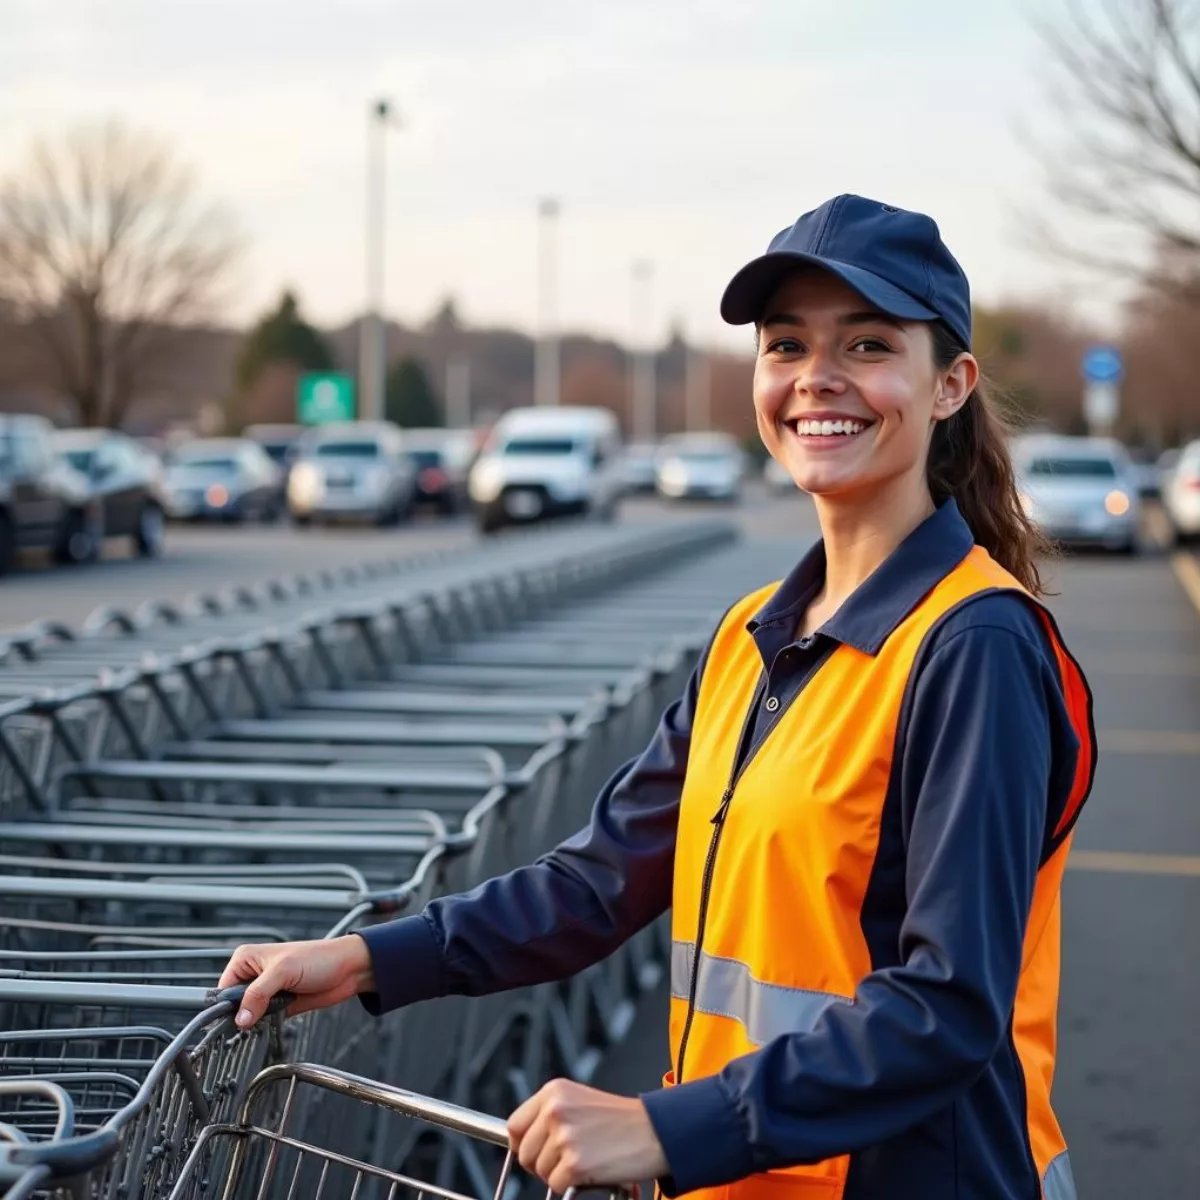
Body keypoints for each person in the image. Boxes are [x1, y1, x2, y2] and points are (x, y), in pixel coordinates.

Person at [219, 195, 1095, 1200]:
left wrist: (664, 1128)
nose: (818, 378)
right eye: (786, 345)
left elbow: (947, 1006)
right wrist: (369, 959)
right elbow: (602, 879)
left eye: (866, 344)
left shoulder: (973, 642)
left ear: (950, 386)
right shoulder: (755, 633)